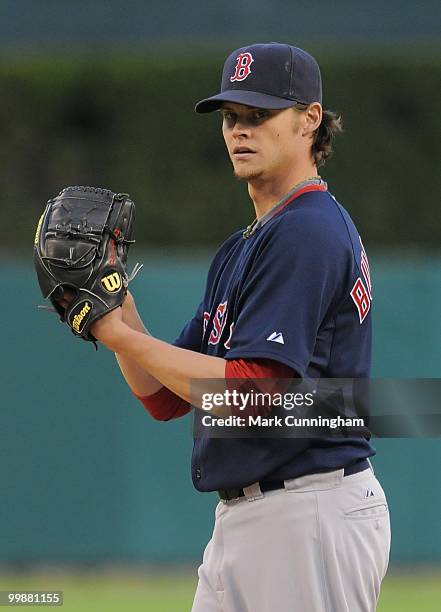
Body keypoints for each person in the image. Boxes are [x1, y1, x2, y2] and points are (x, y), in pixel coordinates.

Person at [91, 43, 391, 612]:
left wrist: (119, 335)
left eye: (259, 115)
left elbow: (251, 392)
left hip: (308, 513)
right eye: (232, 117)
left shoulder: (307, 231)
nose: (239, 130)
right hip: (254, 518)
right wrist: (113, 299)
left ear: (310, 121)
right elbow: (162, 395)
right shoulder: (246, 244)